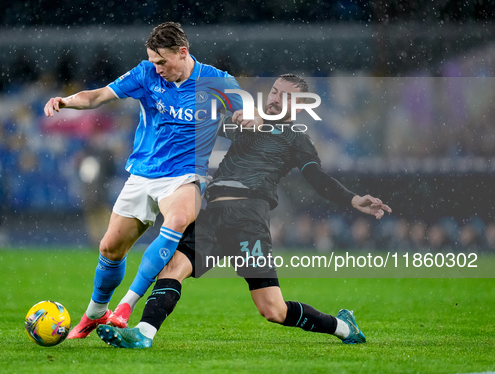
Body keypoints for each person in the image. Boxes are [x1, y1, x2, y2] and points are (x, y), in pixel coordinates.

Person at [97, 74, 392, 348]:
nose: (276, 98)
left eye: (286, 97)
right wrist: (227, 116)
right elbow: (200, 124)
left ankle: (342, 327)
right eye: (275, 91)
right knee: (173, 268)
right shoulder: (246, 121)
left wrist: (353, 199)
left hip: (248, 221)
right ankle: (143, 334)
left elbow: (318, 178)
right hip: (212, 215)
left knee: (273, 310)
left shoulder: (297, 138)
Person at [43, 22, 247, 339]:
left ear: (183, 52)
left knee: (178, 219)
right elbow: (98, 96)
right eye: (153, 61)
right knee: (110, 248)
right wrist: (65, 101)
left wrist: (246, 116)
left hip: (185, 174)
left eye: (162, 61)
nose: (157, 68)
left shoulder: (217, 82)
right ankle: (96, 313)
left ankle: (125, 307)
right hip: (143, 172)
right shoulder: (145, 74)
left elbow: (251, 112)